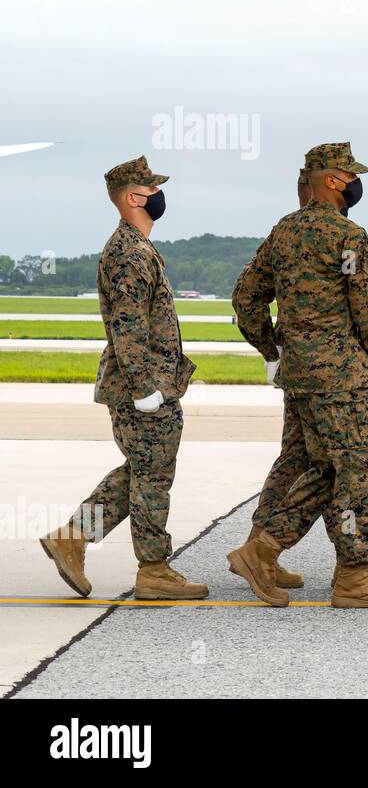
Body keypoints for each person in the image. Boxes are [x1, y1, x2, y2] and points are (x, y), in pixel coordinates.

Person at [226, 142, 368, 608]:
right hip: (341, 376)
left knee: (310, 464)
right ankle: (341, 573)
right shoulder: (346, 235)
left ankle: (332, 559)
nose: (356, 184)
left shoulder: (284, 232)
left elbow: (245, 298)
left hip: (301, 374)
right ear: (332, 181)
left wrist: (272, 350)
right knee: (353, 471)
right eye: (351, 176)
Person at [40, 156, 206, 601]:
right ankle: (153, 570)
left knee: (143, 470)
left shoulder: (135, 247)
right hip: (144, 385)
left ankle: (72, 536)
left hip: (150, 381)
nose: (160, 197)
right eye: (153, 191)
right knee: (153, 476)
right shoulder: (129, 252)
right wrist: (144, 388)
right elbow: (127, 326)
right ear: (135, 198)